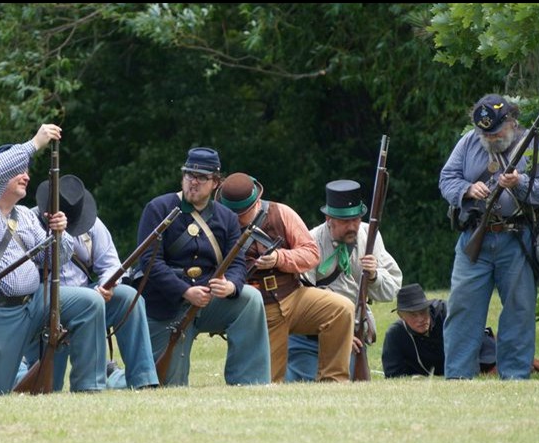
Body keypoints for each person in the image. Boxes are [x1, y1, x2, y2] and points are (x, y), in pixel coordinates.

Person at [0, 124, 107, 395]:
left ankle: (89, 388)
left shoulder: (24, 215)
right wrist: (34, 143)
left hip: (35, 303)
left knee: (90, 302)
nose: (25, 176)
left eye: (27, 170)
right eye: (18, 170)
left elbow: (55, 259)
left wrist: (60, 233)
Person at [439, 94, 539, 380]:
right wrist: (467, 189)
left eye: (496, 132)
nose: (490, 138)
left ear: (512, 122)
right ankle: (458, 377)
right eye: (485, 133)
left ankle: (514, 375)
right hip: (474, 236)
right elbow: (447, 179)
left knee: (519, 309)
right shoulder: (467, 142)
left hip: (517, 238)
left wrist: (520, 182)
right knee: (462, 309)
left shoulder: (532, 145)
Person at [136, 147, 270, 386]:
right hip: (168, 305)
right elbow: (149, 263)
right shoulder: (158, 208)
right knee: (163, 385)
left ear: (216, 182)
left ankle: (250, 382)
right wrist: (184, 291)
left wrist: (231, 286)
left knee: (250, 298)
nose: (193, 182)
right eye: (189, 175)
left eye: (202, 177)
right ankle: (113, 375)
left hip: (209, 303)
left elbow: (237, 262)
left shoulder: (226, 218)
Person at [23, 174, 159, 390]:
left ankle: (143, 380)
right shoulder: (28, 222)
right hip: (45, 302)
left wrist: (106, 285)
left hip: (89, 297)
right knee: (47, 388)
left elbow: (111, 264)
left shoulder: (91, 223)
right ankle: (91, 385)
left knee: (129, 298)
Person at [216, 172, 354, 382]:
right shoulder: (217, 224)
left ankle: (333, 381)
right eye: (231, 212)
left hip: (293, 295)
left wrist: (279, 257)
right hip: (260, 309)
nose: (235, 218)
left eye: (240, 213)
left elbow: (311, 254)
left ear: (256, 202)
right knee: (265, 382)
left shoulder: (281, 213)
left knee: (341, 309)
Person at [287, 179, 402, 380]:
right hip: (309, 338)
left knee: (345, 385)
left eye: (356, 219)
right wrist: (340, 335)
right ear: (329, 219)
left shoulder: (369, 234)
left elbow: (392, 289)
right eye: (345, 221)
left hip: (353, 335)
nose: (353, 226)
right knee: (300, 384)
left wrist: (374, 276)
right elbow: (301, 298)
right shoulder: (311, 241)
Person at [382, 283, 496, 378]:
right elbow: (393, 375)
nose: (420, 319)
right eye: (413, 315)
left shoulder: (447, 314)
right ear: (401, 316)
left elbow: (475, 336)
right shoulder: (395, 335)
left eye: (422, 311)